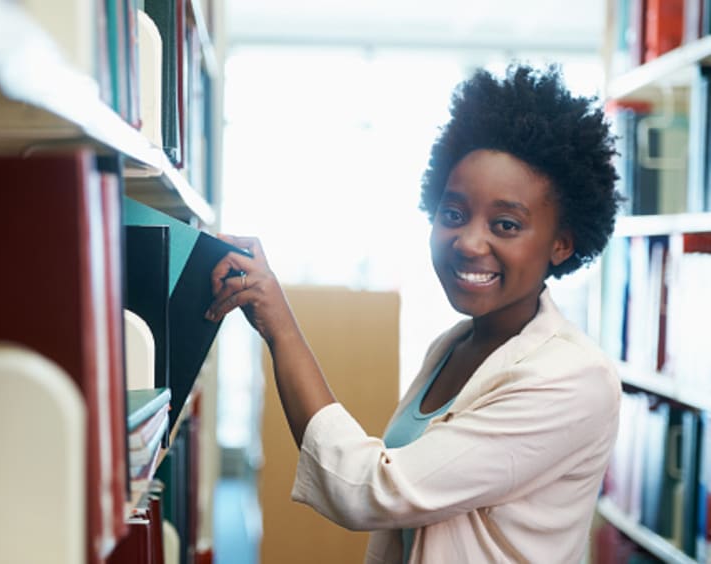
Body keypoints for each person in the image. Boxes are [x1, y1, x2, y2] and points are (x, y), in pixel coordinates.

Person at [206, 63, 622, 563]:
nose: (469, 242)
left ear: (561, 244)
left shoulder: (573, 379)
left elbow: (373, 489)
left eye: (506, 224)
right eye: (453, 214)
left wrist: (281, 327)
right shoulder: (453, 345)